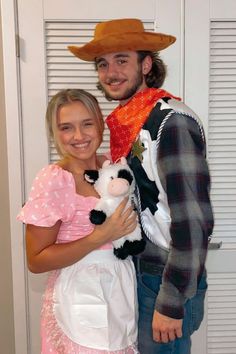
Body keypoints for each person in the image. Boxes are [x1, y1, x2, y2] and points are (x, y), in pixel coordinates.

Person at [68, 19, 214, 354]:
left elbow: (194, 221)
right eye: (102, 64)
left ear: (146, 64)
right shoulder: (130, 123)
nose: (110, 72)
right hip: (139, 272)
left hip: (164, 280)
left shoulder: (171, 122)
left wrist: (171, 301)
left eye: (122, 60)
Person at [17, 89, 140, 354]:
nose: (79, 136)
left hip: (120, 292)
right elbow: (36, 260)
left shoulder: (113, 167)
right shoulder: (54, 180)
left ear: (100, 124)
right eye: (66, 128)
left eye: (87, 124)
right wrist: (99, 237)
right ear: (55, 134)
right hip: (78, 298)